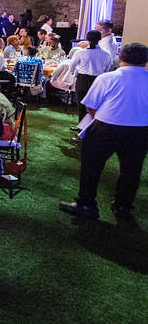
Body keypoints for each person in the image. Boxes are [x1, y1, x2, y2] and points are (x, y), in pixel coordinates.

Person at [60, 44, 148, 219]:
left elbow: (90, 107)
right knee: (132, 170)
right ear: (145, 61)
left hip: (106, 127)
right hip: (140, 130)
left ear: (120, 57)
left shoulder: (107, 78)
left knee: (91, 167)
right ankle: (123, 206)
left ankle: (86, 204)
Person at [68, 30, 112, 122]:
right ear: (100, 39)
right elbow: (107, 69)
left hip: (83, 79)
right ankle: (93, 126)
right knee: (96, 105)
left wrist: (74, 72)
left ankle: (82, 128)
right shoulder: (106, 54)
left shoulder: (80, 53)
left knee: (82, 105)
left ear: (87, 39)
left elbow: (71, 67)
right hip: (99, 80)